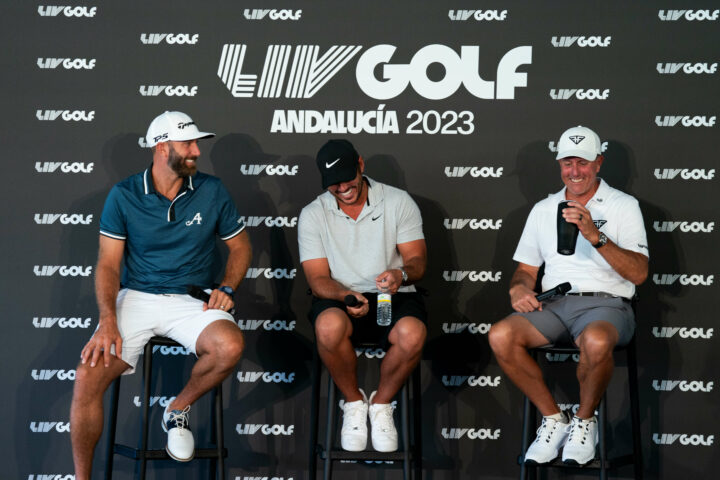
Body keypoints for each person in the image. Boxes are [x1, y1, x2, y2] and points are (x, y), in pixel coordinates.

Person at [70, 111, 251, 478]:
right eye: (188, 144)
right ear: (162, 147)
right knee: (86, 379)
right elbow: (108, 265)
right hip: (137, 296)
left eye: (197, 143)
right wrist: (107, 321)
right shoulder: (123, 195)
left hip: (192, 298)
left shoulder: (212, 190)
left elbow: (241, 246)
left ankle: (176, 409)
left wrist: (227, 287)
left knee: (229, 346)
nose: (197, 151)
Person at [488, 126, 649, 466]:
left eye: (583, 163)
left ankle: (585, 421)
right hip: (556, 304)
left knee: (595, 341)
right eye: (567, 163)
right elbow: (525, 271)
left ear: (599, 163)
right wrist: (518, 289)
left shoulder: (624, 205)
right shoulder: (544, 208)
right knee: (501, 335)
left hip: (608, 304)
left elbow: (638, 273)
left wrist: (595, 235)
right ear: (559, 164)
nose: (574, 172)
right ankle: (553, 420)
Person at [298, 139, 427, 452]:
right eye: (334, 184)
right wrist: (345, 295)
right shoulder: (313, 214)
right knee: (327, 327)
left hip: (392, 294)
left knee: (412, 334)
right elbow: (317, 280)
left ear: (361, 165)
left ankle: (381, 405)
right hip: (341, 297)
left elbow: (417, 262)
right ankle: (354, 403)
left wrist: (401, 274)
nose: (343, 188)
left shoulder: (398, 201)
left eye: (347, 178)